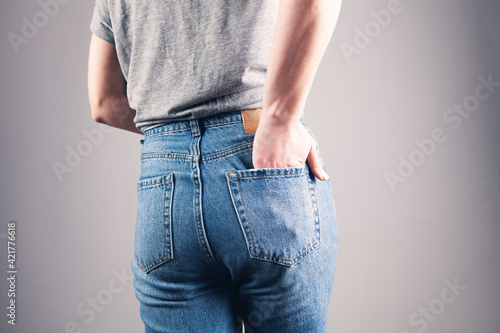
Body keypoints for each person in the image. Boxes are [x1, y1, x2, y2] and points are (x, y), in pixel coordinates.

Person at [88, 0, 342, 332]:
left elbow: (104, 103)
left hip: (163, 183)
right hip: (258, 163)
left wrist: (175, 140)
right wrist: (280, 119)